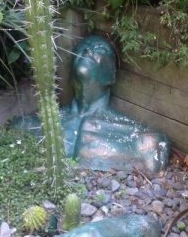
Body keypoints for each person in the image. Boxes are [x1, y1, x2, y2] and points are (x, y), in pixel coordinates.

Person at [14, 35, 170, 173]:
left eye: (100, 49)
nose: (88, 50)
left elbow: (154, 156)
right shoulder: (29, 124)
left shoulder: (145, 141)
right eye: (81, 48)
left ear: (112, 75)